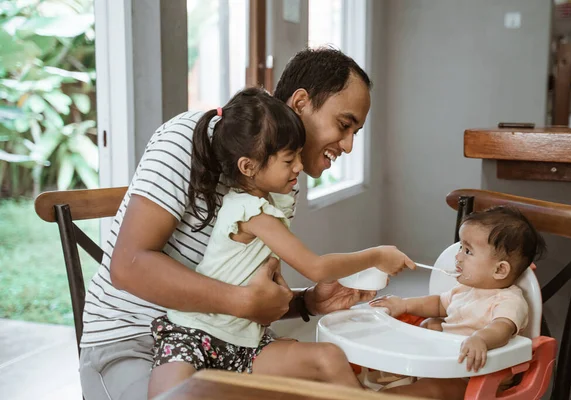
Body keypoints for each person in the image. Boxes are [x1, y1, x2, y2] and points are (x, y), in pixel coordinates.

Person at [79, 48, 380, 400]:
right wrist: (241, 302)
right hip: (135, 341)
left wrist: (308, 303)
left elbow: (242, 292)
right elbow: (128, 267)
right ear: (300, 103)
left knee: (331, 380)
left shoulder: (279, 182)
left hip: (225, 346)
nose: (347, 145)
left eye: (355, 132)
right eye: (344, 125)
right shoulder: (187, 140)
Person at [146, 87, 414, 397]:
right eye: (289, 160)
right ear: (248, 167)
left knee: (328, 357)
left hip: (244, 343)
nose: (299, 167)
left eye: (298, 156)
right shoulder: (249, 210)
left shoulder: (276, 203)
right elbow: (315, 267)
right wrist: (377, 255)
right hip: (192, 335)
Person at [369, 206, 546, 399]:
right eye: (461, 247)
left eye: (468, 251)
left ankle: (392, 392)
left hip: (475, 377)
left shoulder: (508, 300)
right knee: (431, 324)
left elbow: (501, 328)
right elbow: (438, 304)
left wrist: (481, 339)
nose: (458, 256)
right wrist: (404, 305)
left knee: (430, 390)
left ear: (500, 270)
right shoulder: (465, 290)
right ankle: (401, 376)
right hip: (447, 366)